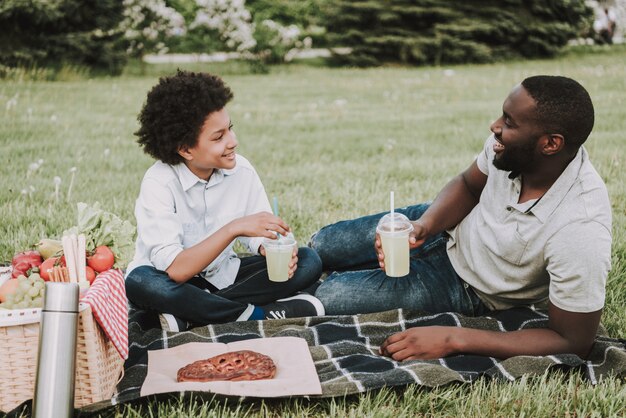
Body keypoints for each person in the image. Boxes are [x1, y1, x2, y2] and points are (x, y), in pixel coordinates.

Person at [310, 75, 612, 360]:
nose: (495, 126)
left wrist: (454, 339)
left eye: (509, 122)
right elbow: (469, 185)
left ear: (550, 144)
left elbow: (574, 341)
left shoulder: (580, 228)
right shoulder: (507, 147)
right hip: (446, 226)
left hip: (466, 285)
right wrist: (422, 226)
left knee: (331, 295)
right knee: (323, 244)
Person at [125, 70, 324, 332]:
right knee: (140, 282)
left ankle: (194, 314)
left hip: (224, 277)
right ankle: (258, 315)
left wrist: (269, 248)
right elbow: (177, 270)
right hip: (169, 280)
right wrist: (234, 228)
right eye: (218, 137)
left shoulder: (241, 170)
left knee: (309, 261)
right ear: (185, 149)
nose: (233, 142)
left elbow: (260, 230)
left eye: (230, 129)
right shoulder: (159, 183)